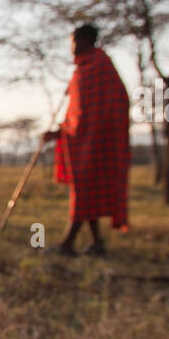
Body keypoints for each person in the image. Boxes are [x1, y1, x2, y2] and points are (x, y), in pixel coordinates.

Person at [43, 24, 131, 256]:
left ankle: (67, 245)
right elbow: (78, 113)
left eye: (72, 41)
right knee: (87, 192)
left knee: (83, 193)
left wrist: (64, 132)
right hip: (83, 140)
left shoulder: (98, 69)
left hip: (96, 142)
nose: (71, 47)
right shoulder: (84, 70)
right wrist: (61, 131)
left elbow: (94, 113)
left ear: (83, 40)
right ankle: (97, 243)